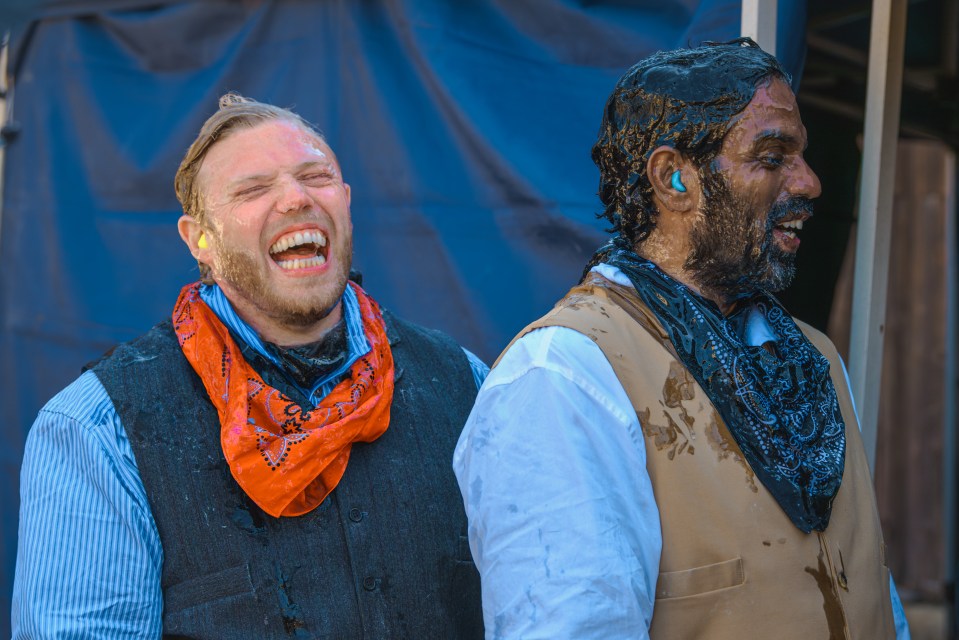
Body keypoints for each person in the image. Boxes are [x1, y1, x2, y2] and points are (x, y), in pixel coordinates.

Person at [454, 39, 911, 639]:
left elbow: (876, 600)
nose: (810, 183)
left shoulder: (814, 357)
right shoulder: (564, 375)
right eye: (773, 157)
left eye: (802, 156)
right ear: (674, 179)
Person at [14, 94, 486, 639]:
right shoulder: (99, 430)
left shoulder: (464, 384)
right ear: (200, 242)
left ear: (347, 201)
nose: (295, 198)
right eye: (253, 189)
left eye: (316, 176)